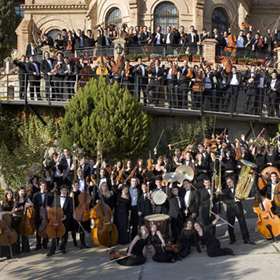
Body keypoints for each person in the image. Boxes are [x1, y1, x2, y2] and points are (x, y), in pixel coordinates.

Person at [222, 177, 255, 245]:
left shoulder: (238, 188)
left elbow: (244, 194)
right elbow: (225, 200)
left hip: (238, 209)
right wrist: (234, 200)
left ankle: (246, 239)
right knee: (231, 225)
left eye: (230, 182)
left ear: (233, 181)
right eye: (227, 182)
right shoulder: (225, 190)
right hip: (230, 210)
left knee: (243, 224)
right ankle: (232, 239)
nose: (229, 183)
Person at [47, 185, 72, 256]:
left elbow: (70, 210)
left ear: (67, 191)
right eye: (63, 190)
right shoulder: (56, 198)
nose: (64, 192)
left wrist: (66, 216)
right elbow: (52, 207)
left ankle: (62, 248)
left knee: (64, 234)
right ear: (60, 191)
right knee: (55, 234)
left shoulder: (69, 199)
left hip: (65, 219)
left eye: (65, 190)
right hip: (56, 219)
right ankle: (52, 249)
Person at [70, 180, 90, 249]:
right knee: (74, 229)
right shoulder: (71, 193)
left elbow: (83, 201)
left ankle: (83, 243)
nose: (76, 186)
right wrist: (73, 213)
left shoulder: (80, 193)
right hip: (74, 211)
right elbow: (72, 204)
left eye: (77, 185)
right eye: (75, 185)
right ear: (72, 185)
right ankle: (75, 242)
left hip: (80, 211)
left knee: (82, 227)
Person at [33, 180, 53, 250]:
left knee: (46, 229)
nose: (43, 187)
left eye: (44, 186)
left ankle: (45, 243)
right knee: (38, 229)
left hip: (47, 215)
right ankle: (38, 244)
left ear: (46, 187)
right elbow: (34, 204)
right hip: (39, 215)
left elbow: (52, 203)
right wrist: (39, 207)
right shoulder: (36, 195)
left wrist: (49, 207)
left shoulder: (50, 195)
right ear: (39, 186)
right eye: (42, 186)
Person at [13, 187, 34, 254]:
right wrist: (19, 208)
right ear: (18, 192)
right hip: (17, 217)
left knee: (25, 233)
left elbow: (32, 204)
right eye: (21, 191)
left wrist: (28, 204)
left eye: (23, 191)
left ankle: (25, 248)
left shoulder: (26, 199)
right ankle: (17, 250)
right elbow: (14, 210)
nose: (22, 193)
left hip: (24, 218)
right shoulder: (15, 200)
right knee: (17, 233)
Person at [0, 189, 16, 259]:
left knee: (11, 235)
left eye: (10, 193)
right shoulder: (1, 202)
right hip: (2, 221)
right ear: (5, 194)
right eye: (8, 193)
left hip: (10, 220)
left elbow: (12, 212)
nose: (9, 194)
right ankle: (2, 253)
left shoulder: (14, 202)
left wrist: (5, 212)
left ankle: (11, 253)